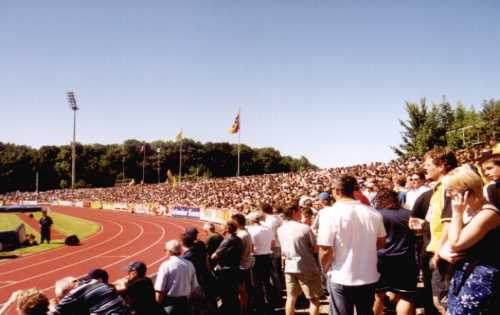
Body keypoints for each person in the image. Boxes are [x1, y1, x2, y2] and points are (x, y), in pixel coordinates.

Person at [318, 174, 386, 315]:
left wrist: (324, 269)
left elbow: (325, 249)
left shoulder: (329, 214)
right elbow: (381, 243)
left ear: (337, 191)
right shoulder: (373, 213)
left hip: (341, 275)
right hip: (368, 275)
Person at [439, 165, 500, 315]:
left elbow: (456, 243)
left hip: (480, 279)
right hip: (462, 274)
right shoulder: (468, 210)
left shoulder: (488, 213)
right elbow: (448, 243)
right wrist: (442, 251)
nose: (447, 195)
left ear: (467, 190)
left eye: (451, 189)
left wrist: (456, 213)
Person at [420, 147, 457, 314]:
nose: (424, 167)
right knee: (440, 300)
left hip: (444, 253)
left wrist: (438, 253)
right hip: (438, 249)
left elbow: (450, 222)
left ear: (441, 165)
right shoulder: (438, 189)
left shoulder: (449, 186)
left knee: (443, 302)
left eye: (428, 164)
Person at [373, 189, 417, 315]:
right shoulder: (408, 214)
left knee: (378, 295)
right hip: (405, 259)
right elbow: (417, 236)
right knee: (405, 296)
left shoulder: (375, 215)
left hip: (380, 259)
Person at [277, 203, 322, 315]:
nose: (300, 213)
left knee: (291, 298)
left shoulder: (281, 229)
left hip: (290, 265)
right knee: (314, 299)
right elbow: (315, 248)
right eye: (298, 211)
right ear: (293, 212)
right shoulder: (305, 228)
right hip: (306, 265)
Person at [52, 269, 130, 315]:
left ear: (66, 292)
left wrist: (53, 304)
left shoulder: (74, 292)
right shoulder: (93, 283)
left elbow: (55, 311)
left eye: (62, 297)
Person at [155, 240, 199, 315]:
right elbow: (194, 287)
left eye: (165, 250)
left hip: (170, 304)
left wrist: (156, 307)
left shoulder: (165, 266)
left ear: (170, 251)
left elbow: (160, 290)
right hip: (185, 304)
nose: (165, 251)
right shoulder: (189, 264)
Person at [211, 220, 243, 315]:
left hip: (226, 271)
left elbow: (214, 256)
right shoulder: (238, 239)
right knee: (233, 294)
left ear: (226, 229)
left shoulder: (227, 240)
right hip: (235, 268)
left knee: (226, 295)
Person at [246, 211, 274, 314]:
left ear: (252, 220)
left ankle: (260, 304)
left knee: (257, 282)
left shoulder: (251, 230)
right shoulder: (268, 229)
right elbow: (272, 243)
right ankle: (270, 303)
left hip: (256, 257)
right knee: (266, 280)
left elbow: (251, 247)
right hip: (267, 256)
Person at [231, 213, 254, 315]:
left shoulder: (241, 235)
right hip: (246, 264)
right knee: (245, 289)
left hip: (241, 265)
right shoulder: (246, 232)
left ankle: (243, 310)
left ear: (236, 223)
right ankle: (246, 308)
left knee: (241, 290)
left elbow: (236, 252)